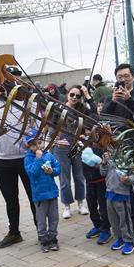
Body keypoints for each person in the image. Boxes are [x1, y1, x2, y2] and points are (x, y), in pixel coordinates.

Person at [103, 63, 134, 237]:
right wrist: (114, 100)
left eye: (126, 76)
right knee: (124, 185)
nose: (123, 79)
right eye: (120, 77)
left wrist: (129, 99)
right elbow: (104, 118)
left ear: (133, 76)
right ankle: (131, 219)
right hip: (119, 147)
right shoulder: (113, 97)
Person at [0, 98, 36, 248]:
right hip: (2, 162)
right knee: (11, 200)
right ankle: (14, 233)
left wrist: (33, 149)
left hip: (26, 158)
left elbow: (36, 126)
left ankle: (41, 230)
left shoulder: (27, 103)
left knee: (34, 196)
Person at [55, 87, 91, 219]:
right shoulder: (59, 108)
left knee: (79, 176)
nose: (74, 97)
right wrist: (56, 140)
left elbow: (93, 117)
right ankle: (67, 206)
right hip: (61, 149)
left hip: (76, 147)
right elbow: (51, 126)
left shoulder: (82, 109)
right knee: (64, 179)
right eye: (72, 94)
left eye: (78, 95)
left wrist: (87, 95)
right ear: (67, 94)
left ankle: (81, 203)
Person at [23, 129, 62, 253]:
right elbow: (32, 173)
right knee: (41, 219)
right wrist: (38, 159)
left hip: (52, 193)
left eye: (39, 142)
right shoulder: (28, 158)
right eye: (34, 144)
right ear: (29, 146)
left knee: (54, 217)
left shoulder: (49, 155)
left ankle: (53, 237)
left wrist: (52, 171)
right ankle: (43, 239)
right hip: (39, 195)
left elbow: (58, 168)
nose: (38, 146)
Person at [100, 150, 134, 255]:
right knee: (113, 220)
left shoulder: (129, 160)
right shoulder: (110, 159)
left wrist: (127, 179)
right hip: (109, 193)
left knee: (124, 220)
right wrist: (104, 163)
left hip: (122, 195)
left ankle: (129, 240)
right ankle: (119, 238)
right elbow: (103, 173)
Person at [82, 146, 112, 245]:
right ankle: (97, 226)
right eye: (86, 130)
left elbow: (109, 163)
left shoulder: (102, 145)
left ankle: (106, 229)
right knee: (91, 206)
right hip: (89, 181)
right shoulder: (83, 144)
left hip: (101, 181)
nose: (87, 132)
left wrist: (102, 164)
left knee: (103, 207)